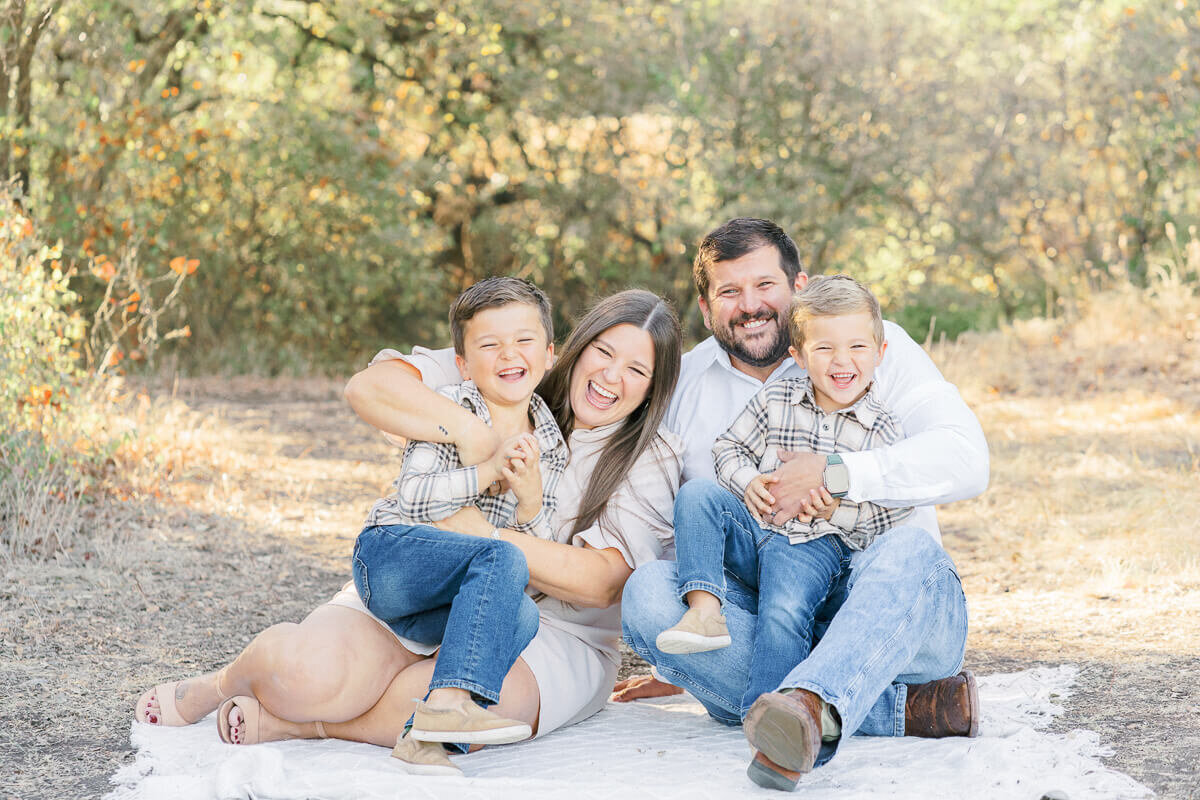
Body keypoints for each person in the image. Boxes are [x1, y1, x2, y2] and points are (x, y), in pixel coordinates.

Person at [134, 289, 685, 778]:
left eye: (637, 370)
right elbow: (371, 388)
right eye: (604, 353)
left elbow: (601, 585)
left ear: (656, 386)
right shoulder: (513, 360)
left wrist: (484, 539)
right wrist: (475, 437)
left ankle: (293, 728)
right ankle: (220, 684)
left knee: (453, 704)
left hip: (558, 633)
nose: (612, 377)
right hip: (432, 575)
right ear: (570, 348)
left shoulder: (652, 456)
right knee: (311, 675)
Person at [616, 218, 989, 791]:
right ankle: (871, 709)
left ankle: (811, 704)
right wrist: (680, 654)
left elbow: (967, 460)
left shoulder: (866, 345)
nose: (750, 306)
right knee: (645, 594)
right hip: (770, 613)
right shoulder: (681, 382)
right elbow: (646, 505)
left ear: (798, 284)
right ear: (705, 303)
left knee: (909, 546)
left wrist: (838, 474)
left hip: (889, 610)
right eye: (729, 292)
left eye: (765, 285)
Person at [656, 275, 914, 741]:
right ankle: (705, 609)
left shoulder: (883, 429)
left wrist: (833, 510)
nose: (842, 362)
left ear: (880, 352)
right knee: (697, 496)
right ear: (797, 355)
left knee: (782, 610)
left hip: (815, 545)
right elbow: (728, 448)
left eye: (857, 347)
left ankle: (769, 717)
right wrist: (748, 479)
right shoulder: (778, 399)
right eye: (824, 349)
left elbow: (893, 516)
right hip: (757, 528)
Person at [351, 276, 570, 765]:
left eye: (524, 341)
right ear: (463, 363)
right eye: (489, 344)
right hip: (390, 559)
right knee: (499, 554)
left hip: (442, 600)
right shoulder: (450, 410)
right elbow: (413, 499)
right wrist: (485, 471)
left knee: (522, 613)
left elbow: (533, 572)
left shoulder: (551, 443)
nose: (508, 354)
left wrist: (531, 502)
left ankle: (423, 740)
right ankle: (450, 705)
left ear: (550, 353)